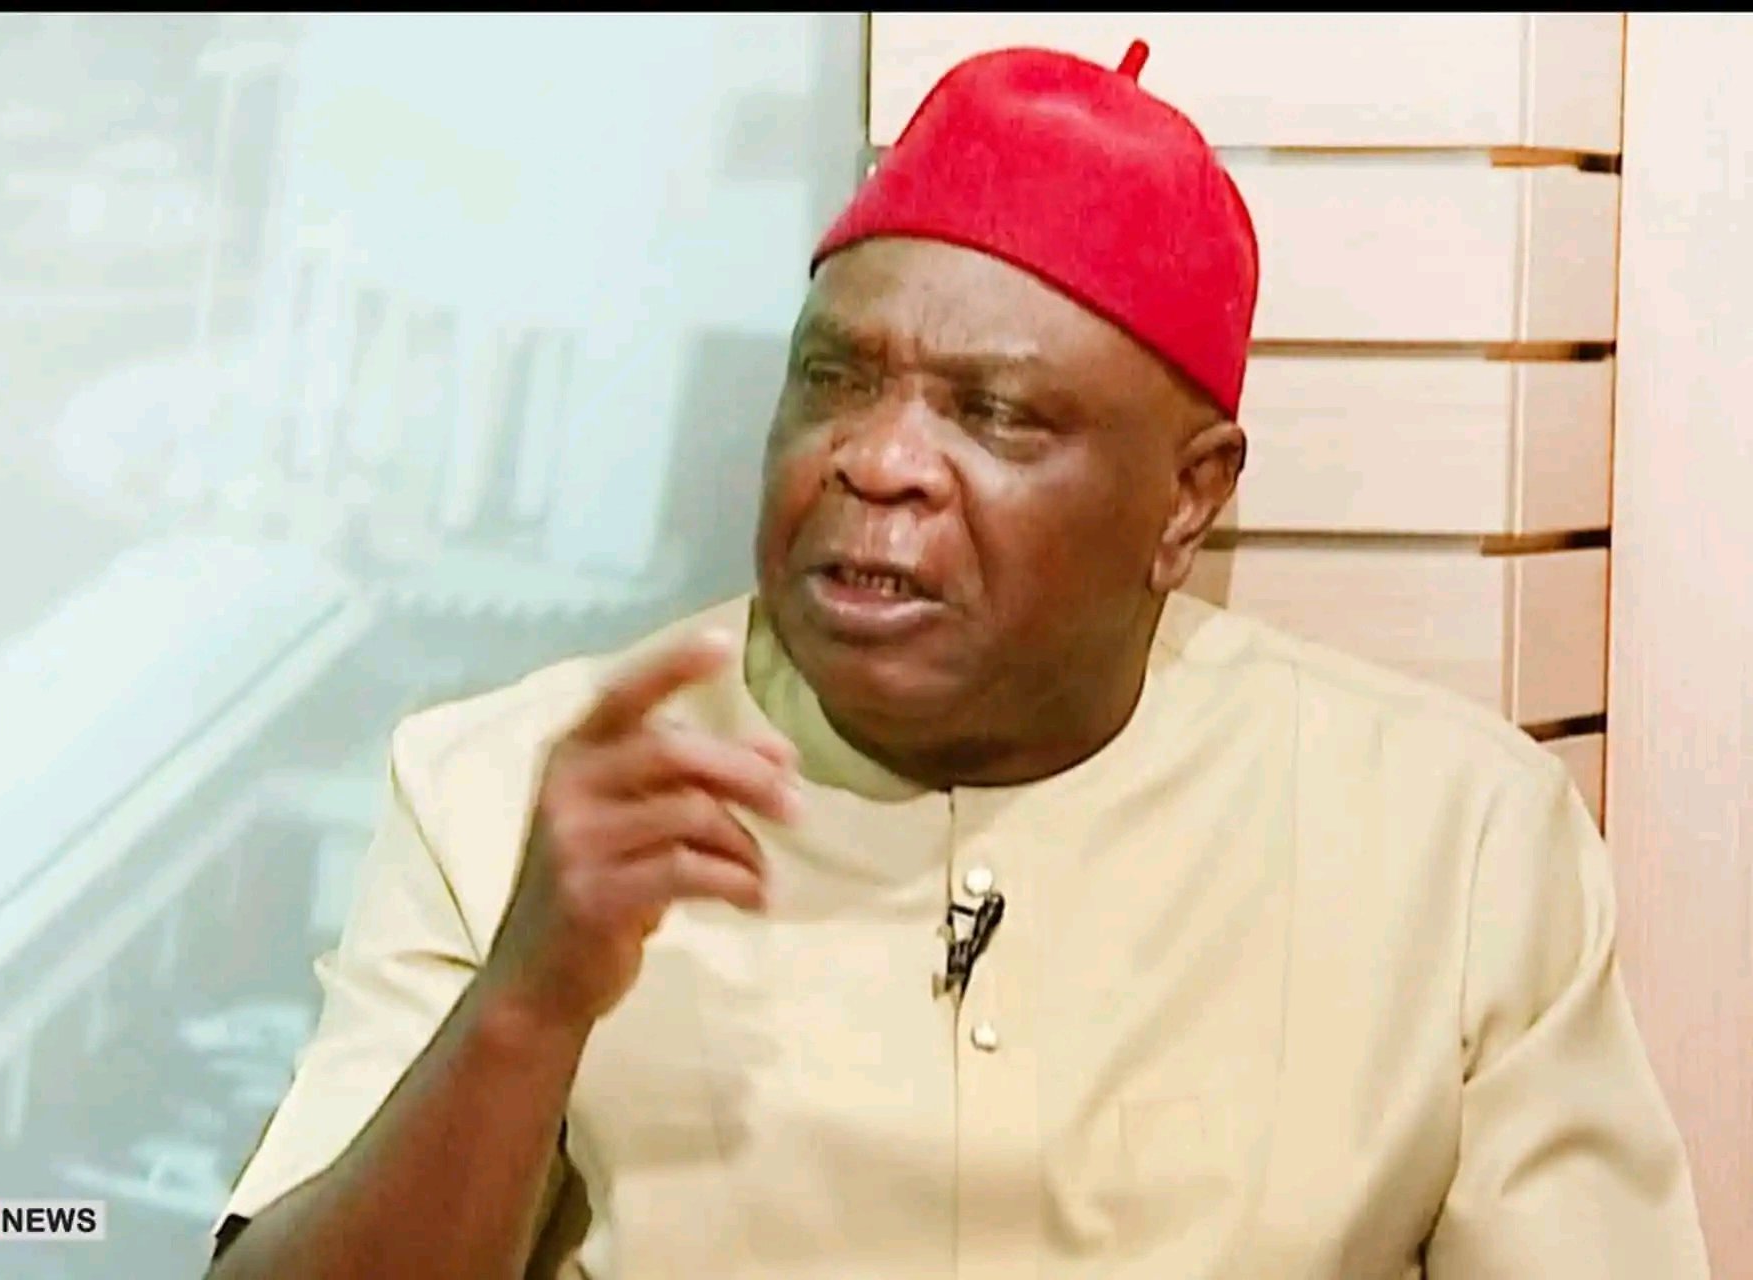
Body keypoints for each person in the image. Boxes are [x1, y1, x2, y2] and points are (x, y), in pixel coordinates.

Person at [205, 41, 1711, 1280]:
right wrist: (528, 1004)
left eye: (994, 414)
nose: (878, 461)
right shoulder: (518, 790)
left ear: (1187, 500)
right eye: (833, 381)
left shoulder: (1458, 845)